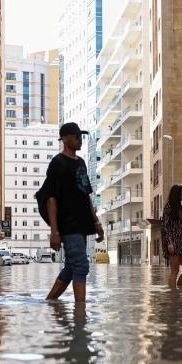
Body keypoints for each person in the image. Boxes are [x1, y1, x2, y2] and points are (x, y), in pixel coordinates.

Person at [43, 122, 104, 303]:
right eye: (77, 137)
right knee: (81, 265)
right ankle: (80, 311)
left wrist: (96, 222)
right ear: (66, 138)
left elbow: (86, 194)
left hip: (82, 222)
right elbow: (51, 199)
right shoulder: (57, 163)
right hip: (67, 223)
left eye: (81, 137)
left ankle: (50, 302)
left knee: (71, 266)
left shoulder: (82, 163)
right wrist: (54, 231)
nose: (80, 140)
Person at [161, 184, 182, 288]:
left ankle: (180, 289)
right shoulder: (168, 209)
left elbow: (181, 226)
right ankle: (173, 296)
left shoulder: (180, 208)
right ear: (178, 194)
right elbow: (165, 228)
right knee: (174, 271)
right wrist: (169, 243)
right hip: (172, 242)